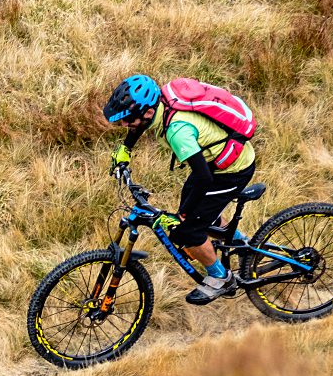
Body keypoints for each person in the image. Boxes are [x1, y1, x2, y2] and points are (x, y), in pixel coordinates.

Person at [101, 73, 257, 305]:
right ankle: (244, 245)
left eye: (127, 119)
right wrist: (126, 148)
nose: (124, 125)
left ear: (148, 112)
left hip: (231, 171)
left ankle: (221, 279)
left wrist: (182, 217)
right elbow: (139, 124)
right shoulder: (161, 103)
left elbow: (203, 179)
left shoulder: (177, 131)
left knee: (186, 232)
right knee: (197, 215)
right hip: (213, 164)